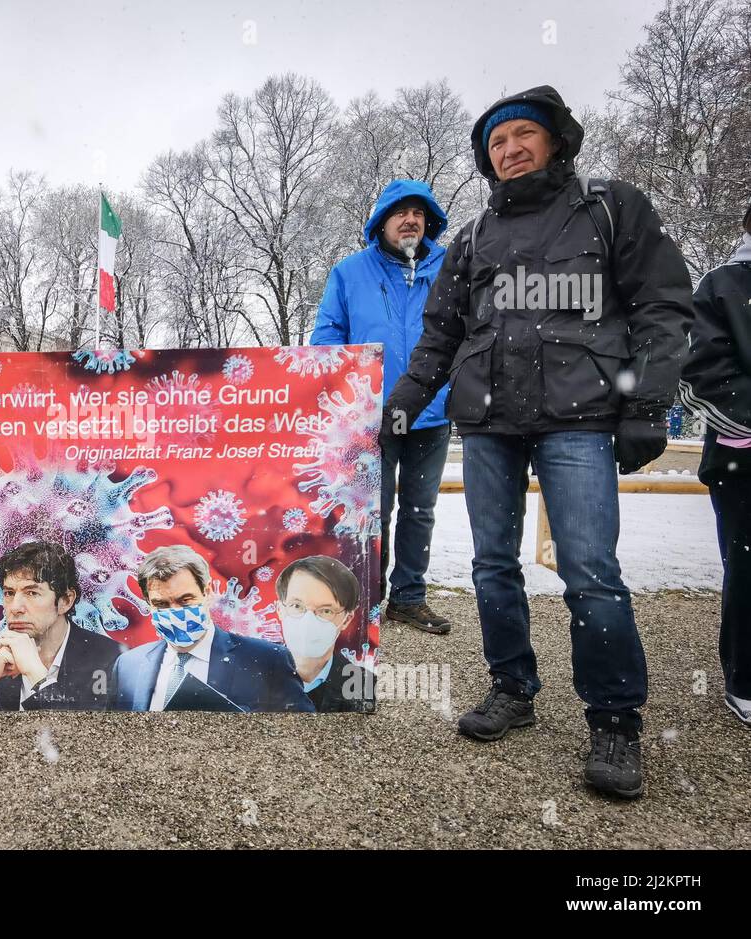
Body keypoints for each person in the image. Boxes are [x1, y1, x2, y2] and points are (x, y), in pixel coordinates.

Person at [384, 86, 694, 798]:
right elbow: (441, 337)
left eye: (523, 134)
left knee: (589, 569)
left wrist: (646, 403)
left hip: (579, 419)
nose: (510, 148)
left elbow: (662, 304)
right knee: (493, 564)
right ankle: (512, 687)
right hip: (488, 421)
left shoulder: (610, 205)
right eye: (496, 142)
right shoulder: (472, 237)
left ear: (557, 140)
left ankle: (615, 717)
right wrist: (402, 404)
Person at [313, 179, 453, 634]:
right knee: (372, 509)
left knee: (420, 508)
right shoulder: (350, 273)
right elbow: (328, 334)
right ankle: (367, 598)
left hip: (432, 412)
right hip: (370, 414)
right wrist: (346, 386)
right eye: (400, 212)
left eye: (418, 213)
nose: (409, 220)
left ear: (427, 222)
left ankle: (408, 598)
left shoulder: (450, 268)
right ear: (381, 222)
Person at [678, 198, 751, 727]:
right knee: (748, 567)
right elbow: (703, 373)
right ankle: (745, 679)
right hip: (742, 457)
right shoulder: (724, 285)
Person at [110, 545, 315, 713]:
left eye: (185, 600)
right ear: (148, 603)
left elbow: (302, 736)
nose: (175, 612)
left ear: (207, 592)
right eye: (161, 604)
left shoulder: (267, 661)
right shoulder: (128, 666)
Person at [0, 542, 125, 710]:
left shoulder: (110, 660)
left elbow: (87, 733)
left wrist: (36, 674)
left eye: (32, 593)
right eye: (9, 593)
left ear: (66, 601)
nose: (15, 607)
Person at [276, 556, 374, 712]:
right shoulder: (247, 674)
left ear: (347, 619)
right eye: (296, 606)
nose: (308, 622)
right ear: (280, 610)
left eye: (326, 611)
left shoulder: (366, 686)